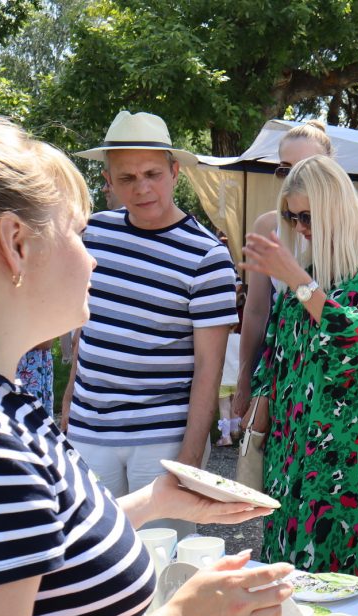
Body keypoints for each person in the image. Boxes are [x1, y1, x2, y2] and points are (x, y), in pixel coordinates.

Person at [0, 116, 293, 616]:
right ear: (16, 242)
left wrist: (152, 501)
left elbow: (41, 554)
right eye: (75, 232)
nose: (91, 258)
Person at [63, 111, 238, 537]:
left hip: (160, 440)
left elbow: (209, 369)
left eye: (152, 173)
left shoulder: (207, 257)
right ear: (109, 179)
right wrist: (69, 400)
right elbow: (88, 329)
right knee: (89, 561)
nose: (141, 187)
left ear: (175, 172)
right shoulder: (93, 235)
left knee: (164, 564)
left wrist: (190, 459)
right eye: (127, 178)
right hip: (89, 432)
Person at [240, 155, 358, 581]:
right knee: (285, 578)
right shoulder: (305, 272)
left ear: (336, 209)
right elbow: (275, 352)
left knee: (340, 585)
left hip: (347, 458)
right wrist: (254, 413)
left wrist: (298, 280)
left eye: (307, 216)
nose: (300, 227)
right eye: (291, 217)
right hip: (288, 452)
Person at [233, 121, 358, 425]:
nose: (295, 177)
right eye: (285, 168)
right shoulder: (270, 226)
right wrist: (245, 381)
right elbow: (257, 313)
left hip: (342, 405)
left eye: (306, 166)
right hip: (287, 394)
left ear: (330, 172)